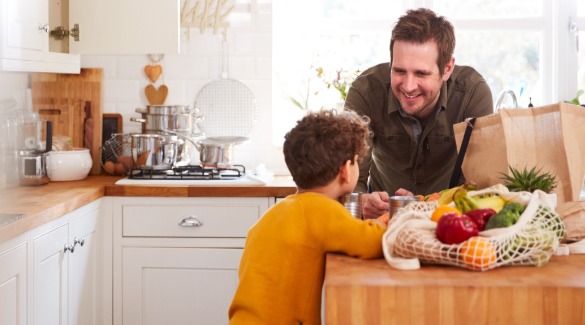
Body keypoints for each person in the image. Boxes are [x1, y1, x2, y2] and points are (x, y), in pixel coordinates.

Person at [228, 110, 387, 325]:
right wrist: (390, 218)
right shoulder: (321, 210)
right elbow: (371, 242)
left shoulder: (274, 214)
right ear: (345, 171)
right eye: (357, 161)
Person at [344, 8, 494, 219]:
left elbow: (477, 187)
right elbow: (347, 178)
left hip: (447, 221)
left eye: (421, 73)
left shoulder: (472, 94)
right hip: (379, 224)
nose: (408, 85)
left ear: (447, 68)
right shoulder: (365, 92)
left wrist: (425, 206)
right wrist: (361, 203)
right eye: (399, 71)